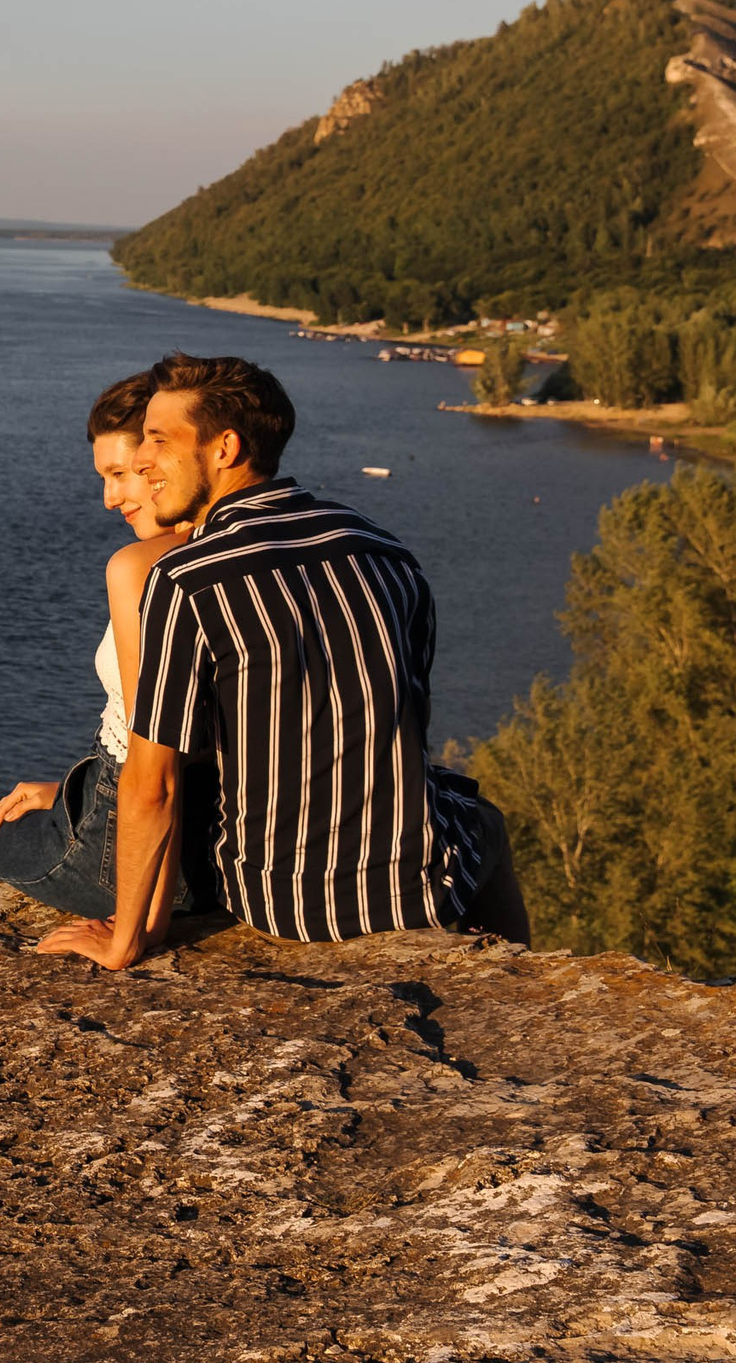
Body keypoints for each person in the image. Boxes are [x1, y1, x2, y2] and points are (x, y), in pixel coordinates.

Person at [36, 351, 532, 973]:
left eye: (158, 442)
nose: (142, 462)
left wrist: (125, 940)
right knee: (482, 819)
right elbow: (404, 728)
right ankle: (505, 975)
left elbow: (154, 781)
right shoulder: (384, 551)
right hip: (412, 887)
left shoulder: (187, 579)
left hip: (286, 900)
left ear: (224, 448)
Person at [0, 373, 218, 922]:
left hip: (140, 850)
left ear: (162, 459)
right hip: (222, 835)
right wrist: (74, 791)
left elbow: (156, 770)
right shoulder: (254, 552)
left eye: (122, 473)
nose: (109, 498)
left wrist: (135, 929)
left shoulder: (146, 571)